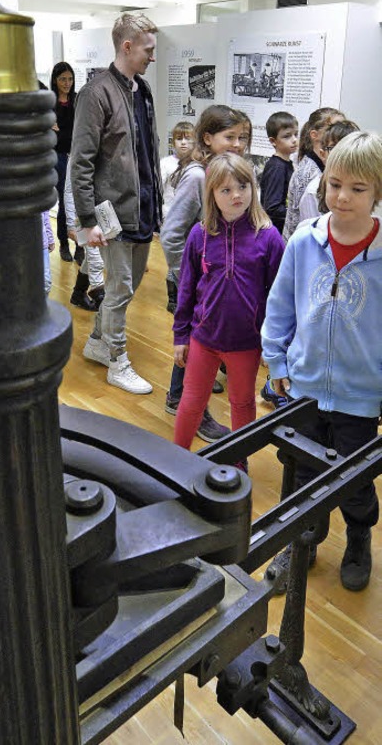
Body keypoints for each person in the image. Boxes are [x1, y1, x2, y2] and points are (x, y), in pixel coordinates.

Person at [262, 132, 382, 593]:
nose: (342, 196)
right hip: (304, 385)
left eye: (357, 188)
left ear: (376, 193)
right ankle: (302, 538)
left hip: (360, 393)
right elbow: (281, 305)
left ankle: (358, 535)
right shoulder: (303, 241)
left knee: (354, 477)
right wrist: (276, 360)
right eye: (334, 185)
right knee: (302, 472)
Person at [71, 13, 162, 394]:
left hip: (141, 209)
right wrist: (87, 219)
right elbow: (81, 161)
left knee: (129, 285)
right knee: (121, 287)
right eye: (148, 49)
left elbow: (144, 151)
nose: (152, 57)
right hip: (112, 215)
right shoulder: (96, 94)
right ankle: (117, 360)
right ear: (127, 46)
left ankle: (96, 341)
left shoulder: (141, 90)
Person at [172, 154, 284, 459]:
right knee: (192, 401)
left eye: (243, 186)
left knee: (243, 402)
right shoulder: (199, 235)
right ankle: (173, 462)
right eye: (226, 190)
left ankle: (238, 467)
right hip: (203, 339)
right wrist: (180, 336)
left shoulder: (269, 237)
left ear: (253, 187)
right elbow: (186, 290)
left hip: (246, 344)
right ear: (212, 195)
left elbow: (280, 296)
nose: (237, 195)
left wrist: (275, 346)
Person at [160, 104, 248, 441]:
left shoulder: (225, 175)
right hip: (198, 280)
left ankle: (176, 396)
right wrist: (193, 274)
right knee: (192, 336)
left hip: (214, 284)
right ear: (208, 139)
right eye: (230, 137)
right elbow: (171, 234)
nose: (238, 144)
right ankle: (184, 404)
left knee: (196, 340)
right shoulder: (199, 176)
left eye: (242, 137)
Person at [283, 107, 344, 240]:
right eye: (332, 128)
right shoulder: (309, 174)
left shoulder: (322, 166)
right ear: (314, 135)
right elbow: (311, 227)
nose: (339, 132)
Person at [160, 121, 195, 311]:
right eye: (179, 139)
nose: (183, 143)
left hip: (190, 220)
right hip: (171, 217)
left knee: (187, 258)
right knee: (173, 259)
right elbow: (159, 190)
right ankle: (172, 298)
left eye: (188, 139)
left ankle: (184, 294)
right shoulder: (166, 164)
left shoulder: (196, 166)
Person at [298, 119, 359, 222]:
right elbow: (315, 233)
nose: (341, 155)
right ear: (322, 155)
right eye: (334, 148)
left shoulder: (362, 185)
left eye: (348, 149)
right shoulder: (313, 192)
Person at [63, 169, 105, 311]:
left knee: (94, 258)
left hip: (103, 213)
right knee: (96, 260)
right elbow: (69, 191)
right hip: (82, 216)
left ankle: (78, 294)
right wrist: (70, 223)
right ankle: (103, 311)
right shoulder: (78, 151)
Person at [50, 62, 79, 263]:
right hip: (59, 158)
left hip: (77, 156)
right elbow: (51, 137)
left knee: (80, 203)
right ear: (55, 80)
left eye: (69, 79)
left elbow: (80, 131)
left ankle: (81, 245)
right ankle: (63, 244)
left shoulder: (77, 101)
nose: (67, 83)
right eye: (62, 79)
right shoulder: (50, 103)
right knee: (63, 203)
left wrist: (61, 132)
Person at [260, 111, 299, 234]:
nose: (294, 140)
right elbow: (272, 207)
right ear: (273, 141)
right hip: (277, 230)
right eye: (287, 136)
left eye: (296, 134)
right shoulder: (277, 167)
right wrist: (297, 213)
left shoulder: (286, 163)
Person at [41, 211, 55, 295]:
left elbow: (46, 220)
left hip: (42, 245)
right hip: (25, 247)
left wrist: (50, 239)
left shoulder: (40, 199)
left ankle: (43, 304)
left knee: (46, 280)